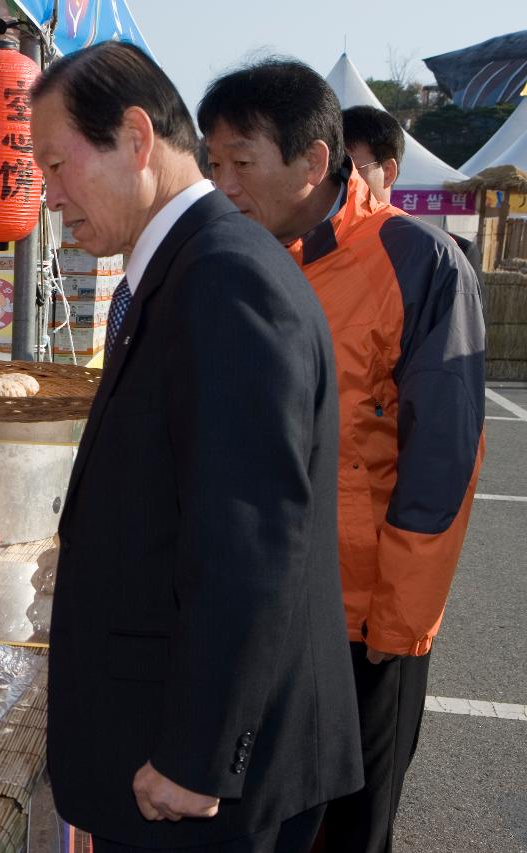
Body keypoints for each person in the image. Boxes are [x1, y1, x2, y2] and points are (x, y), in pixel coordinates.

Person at [32, 42, 362, 853]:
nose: (48, 197)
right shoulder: (184, 266)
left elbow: (251, 539)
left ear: (136, 139)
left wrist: (198, 755)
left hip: (204, 787)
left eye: (57, 166)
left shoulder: (223, 277)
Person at [200, 61, 486, 853]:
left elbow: (443, 463)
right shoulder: (232, 257)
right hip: (256, 612)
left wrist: (398, 624)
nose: (222, 184)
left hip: (365, 621)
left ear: (314, 162)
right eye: (212, 163)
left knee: (350, 828)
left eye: (241, 163)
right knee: (254, 820)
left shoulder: (417, 263)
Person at [341, 105, 483, 272]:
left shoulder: (447, 255)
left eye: (347, 167)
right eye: (331, 170)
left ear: (387, 172)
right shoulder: (312, 249)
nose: (338, 179)